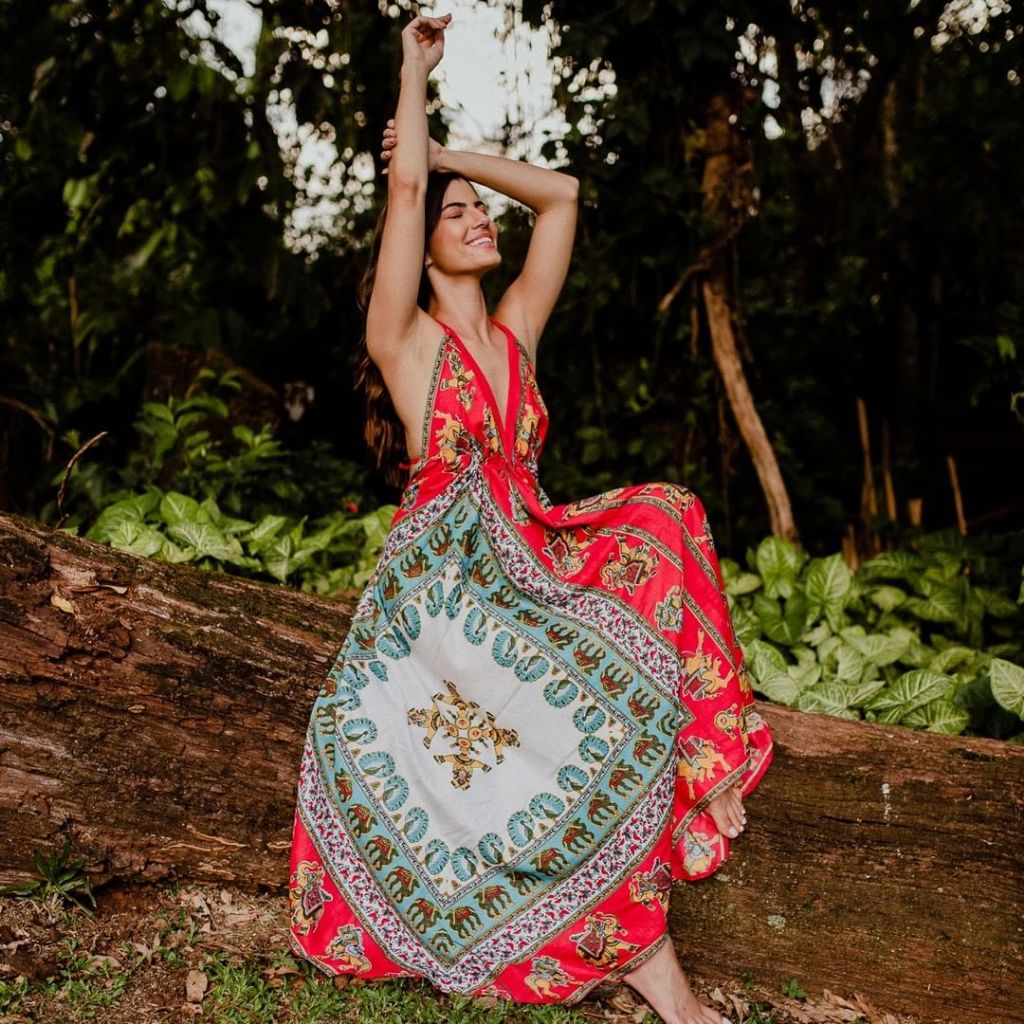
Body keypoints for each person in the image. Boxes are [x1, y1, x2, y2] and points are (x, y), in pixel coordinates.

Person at [287, 13, 774, 1024]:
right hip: (448, 587)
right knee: (563, 739)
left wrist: (449, 154)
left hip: (527, 556)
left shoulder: (515, 332)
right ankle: (675, 996)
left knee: (666, 513)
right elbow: (405, 193)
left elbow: (561, 196)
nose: (477, 218)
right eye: (456, 214)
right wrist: (413, 82)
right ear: (420, 248)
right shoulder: (404, 339)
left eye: (478, 209)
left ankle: (702, 770)